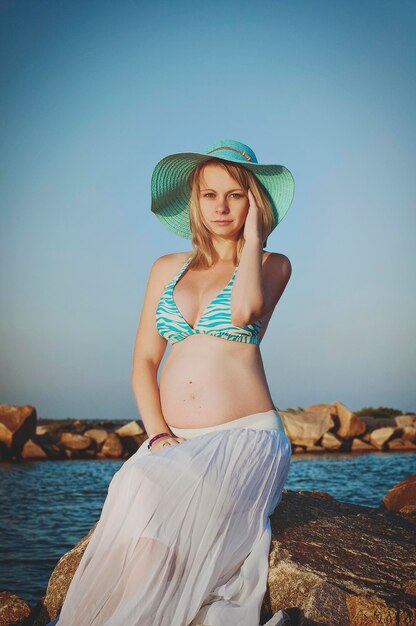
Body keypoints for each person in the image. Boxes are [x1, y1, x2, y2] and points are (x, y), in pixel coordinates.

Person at [48, 139, 295, 626]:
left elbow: (245, 310)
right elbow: (143, 360)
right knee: (137, 502)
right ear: (194, 203)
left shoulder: (271, 265)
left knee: (149, 492)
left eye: (235, 194)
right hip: (171, 441)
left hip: (244, 438)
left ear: (255, 202)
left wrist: (253, 240)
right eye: (208, 195)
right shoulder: (166, 268)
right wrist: (158, 433)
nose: (221, 206)